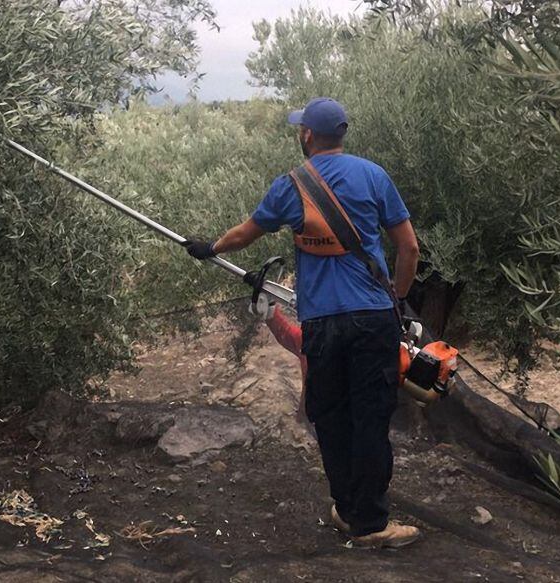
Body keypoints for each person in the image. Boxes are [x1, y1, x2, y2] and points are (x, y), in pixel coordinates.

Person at [181, 97, 422, 548]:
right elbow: (408, 249)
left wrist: (209, 248)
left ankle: (352, 514)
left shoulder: (290, 185)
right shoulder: (374, 175)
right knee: (370, 419)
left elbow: (244, 233)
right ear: (341, 134)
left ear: (307, 135)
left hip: (321, 324)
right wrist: (400, 301)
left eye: (300, 128)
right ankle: (369, 522)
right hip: (373, 318)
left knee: (331, 418)